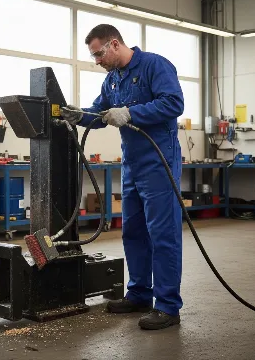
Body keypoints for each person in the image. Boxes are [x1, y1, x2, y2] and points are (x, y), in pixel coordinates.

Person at [60, 24, 184, 330]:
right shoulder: (112, 80)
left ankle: (168, 307)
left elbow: (174, 103)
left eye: (99, 53)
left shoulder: (155, 65)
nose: (98, 61)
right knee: (134, 232)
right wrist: (80, 116)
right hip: (132, 165)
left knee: (163, 235)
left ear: (115, 44)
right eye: (93, 56)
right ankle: (140, 294)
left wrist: (129, 113)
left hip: (159, 162)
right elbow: (101, 113)